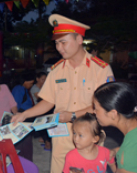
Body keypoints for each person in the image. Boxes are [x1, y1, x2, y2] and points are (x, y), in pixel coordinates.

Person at [11, 14, 114, 173]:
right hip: (61, 136)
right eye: (57, 43)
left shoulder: (101, 69)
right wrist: (24, 115)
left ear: (79, 39)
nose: (59, 48)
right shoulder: (56, 70)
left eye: (64, 42)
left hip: (89, 138)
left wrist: (72, 115)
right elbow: (48, 102)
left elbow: (104, 107)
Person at [93, 82, 137, 173]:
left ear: (113, 114)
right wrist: (116, 150)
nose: (94, 112)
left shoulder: (129, 151)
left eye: (96, 108)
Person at [11, 72, 35, 161]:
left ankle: (26, 161)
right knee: (23, 142)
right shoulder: (19, 89)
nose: (31, 85)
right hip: (22, 118)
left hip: (26, 117)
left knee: (26, 142)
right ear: (25, 81)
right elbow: (15, 106)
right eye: (31, 83)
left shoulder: (23, 89)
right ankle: (22, 161)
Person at [30, 72, 52, 151]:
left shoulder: (43, 87)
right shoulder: (35, 88)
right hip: (37, 110)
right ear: (37, 79)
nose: (44, 81)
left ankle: (45, 139)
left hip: (44, 110)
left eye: (45, 79)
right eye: (42, 79)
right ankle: (47, 142)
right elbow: (40, 98)